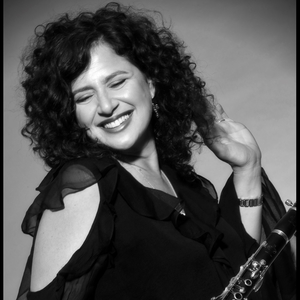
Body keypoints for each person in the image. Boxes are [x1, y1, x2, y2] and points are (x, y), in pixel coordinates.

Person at [16, 2, 296, 300]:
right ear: (73, 115)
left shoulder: (186, 188)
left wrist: (248, 168)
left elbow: (239, 271)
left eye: (117, 82)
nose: (107, 106)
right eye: (85, 97)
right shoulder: (84, 189)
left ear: (150, 83)